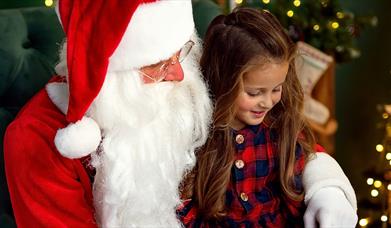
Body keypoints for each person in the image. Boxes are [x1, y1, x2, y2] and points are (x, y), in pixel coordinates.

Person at [4, 0, 212, 227]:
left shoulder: (166, 99)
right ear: (108, 75)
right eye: (159, 65)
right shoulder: (34, 138)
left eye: (180, 52)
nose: (179, 75)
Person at [177, 8, 358, 227]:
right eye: (254, 93)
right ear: (224, 81)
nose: (268, 102)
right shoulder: (199, 135)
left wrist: (328, 193)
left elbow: (307, 165)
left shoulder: (278, 128)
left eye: (276, 89)